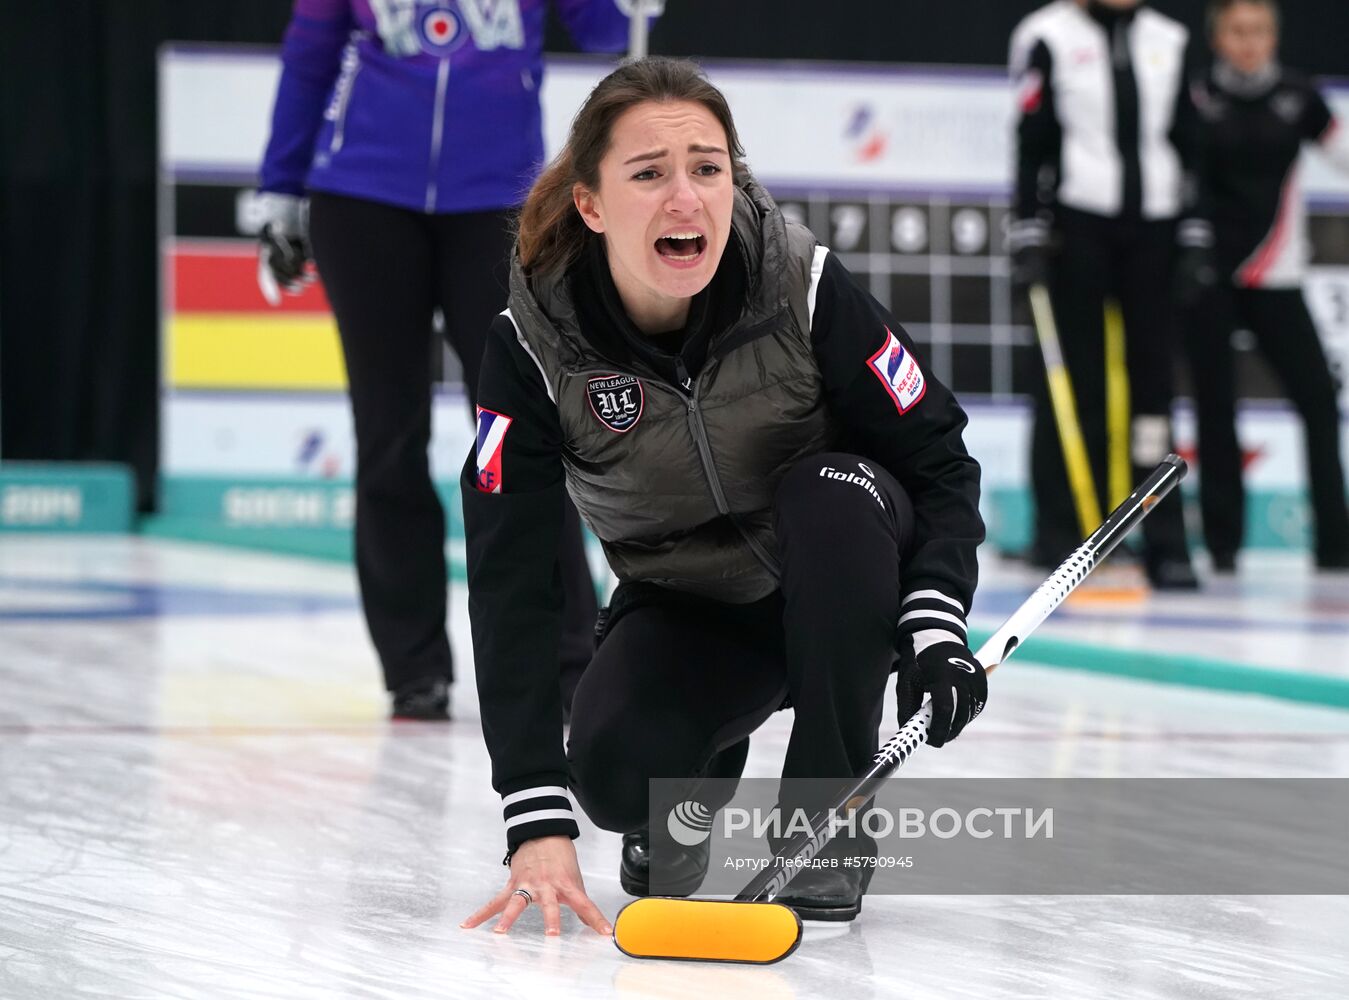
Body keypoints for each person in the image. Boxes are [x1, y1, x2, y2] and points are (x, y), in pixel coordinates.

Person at [457, 57, 986, 938]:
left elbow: (935, 455)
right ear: (590, 205)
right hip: (692, 603)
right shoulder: (530, 348)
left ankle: (824, 828)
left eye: (707, 168)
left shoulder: (802, 283)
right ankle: (694, 787)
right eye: (649, 173)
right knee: (618, 775)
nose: (686, 198)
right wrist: (534, 816)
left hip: (839, 572)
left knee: (828, 490)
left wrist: (932, 620)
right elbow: (508, 577)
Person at [253, 1, 648, 719]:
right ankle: (414, 668)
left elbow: (604, 33)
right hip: (364, 198)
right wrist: (280, 186)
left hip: (500, 203)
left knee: (522, 434)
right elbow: (311, 52)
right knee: (387, 433)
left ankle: (569, 661)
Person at [1008, 0, 1202, 588]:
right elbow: (1030, 139)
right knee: (1074, 381)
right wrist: (1028, 233)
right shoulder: (1047, 35)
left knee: (1153, 389)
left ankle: (1164, 540)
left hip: (1155, 231)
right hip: (1079, 228)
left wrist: (1195, 234)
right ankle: (1063, 533)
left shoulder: (1170, 37)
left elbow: (1190, 142)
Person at [1182, 0, 1349, 572]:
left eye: (1259, 31)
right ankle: (1223, 548)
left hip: (1277, 275)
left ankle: (1335, 547)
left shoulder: (1300, 97)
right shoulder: (1197, 95)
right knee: (1215, 410)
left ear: (1275, 36)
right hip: (1209, 279)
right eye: (1237, 30)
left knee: (1320, 405)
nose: (1249, 42)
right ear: (1218, 37)